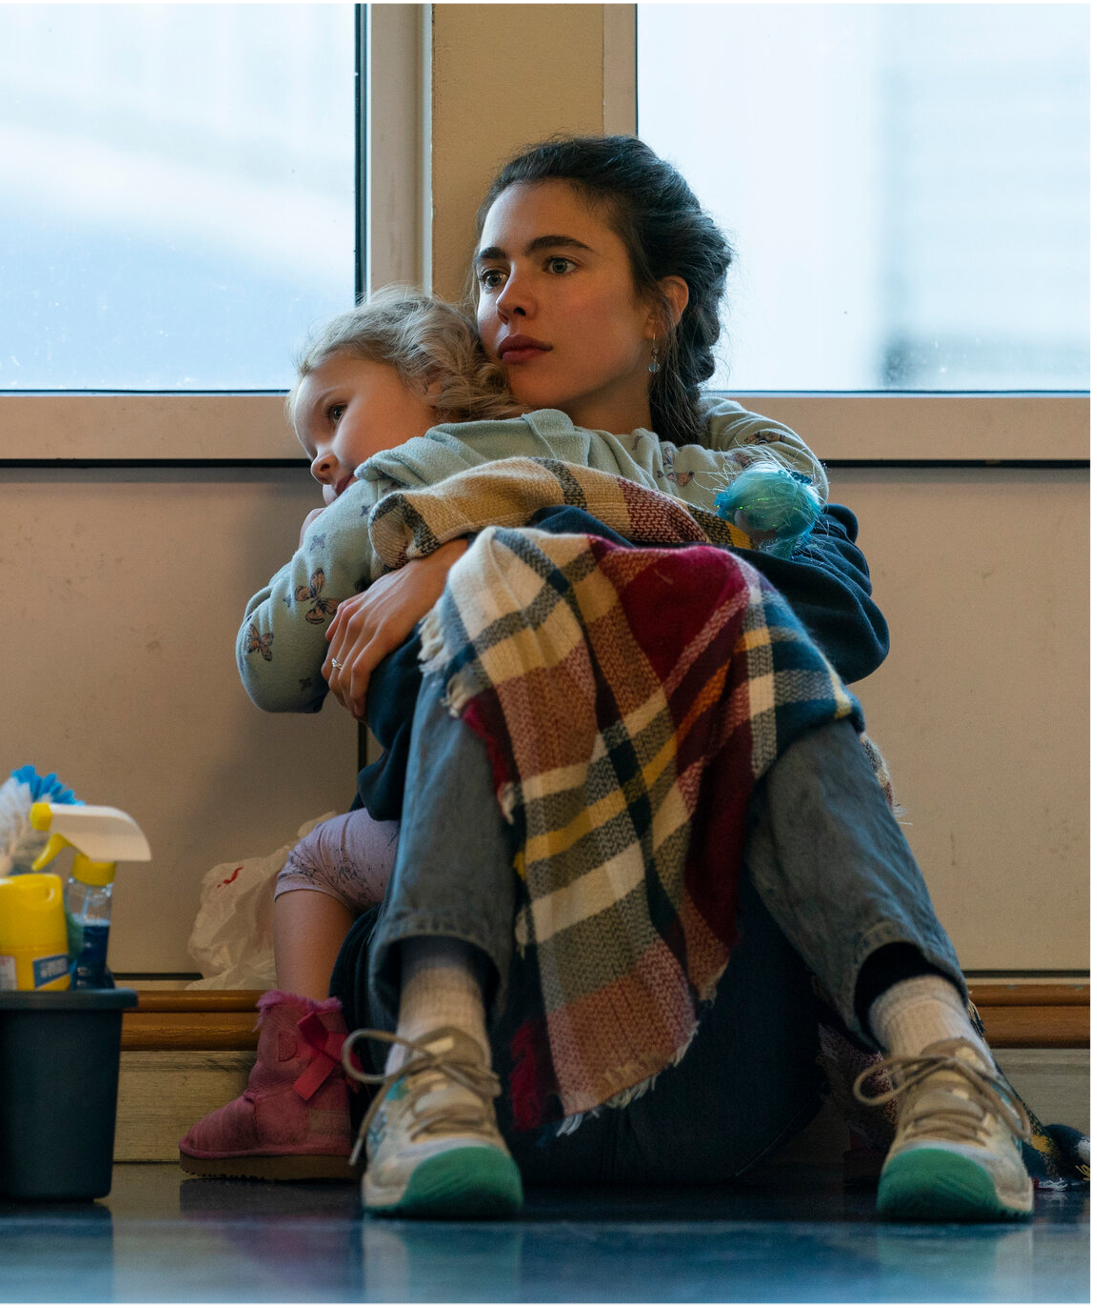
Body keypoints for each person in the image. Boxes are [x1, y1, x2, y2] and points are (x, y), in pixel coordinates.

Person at [336, 136, 1028, 1224]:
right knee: (533, 590)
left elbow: (835, 629)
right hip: (494, 1028)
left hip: (720, 1051)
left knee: (729, 608)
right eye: (490, 272)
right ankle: (429, 1063)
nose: (508, 299)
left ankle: (944, 1070)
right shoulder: (431, 489)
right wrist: (474, 565)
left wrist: (528, 542)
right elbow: (382, 699)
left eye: (555, 265)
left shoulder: (751, 493)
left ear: (659, 309)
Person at [181, 283, 830, 1181]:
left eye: (335, 416)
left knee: (315, 863)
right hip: (656, 817)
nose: (326, 459)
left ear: (436, 378)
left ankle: (304, 1094)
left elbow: (273, 668)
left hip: (487, 838)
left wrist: (308, 558)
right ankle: (882, 1053)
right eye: (313, 448)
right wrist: (711, 420)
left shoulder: (385, 492)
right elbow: (765, 496)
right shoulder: (607, 456)